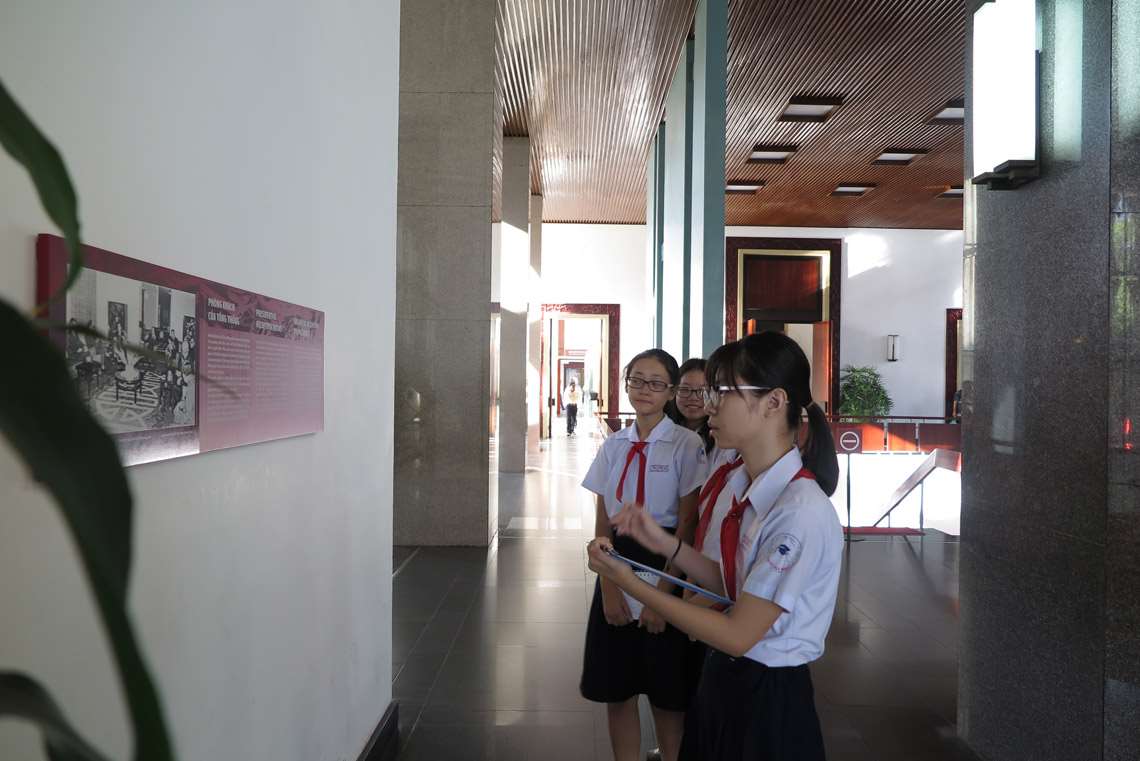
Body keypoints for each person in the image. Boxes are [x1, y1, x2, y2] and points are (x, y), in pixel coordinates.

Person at [587, 332, 842, 761]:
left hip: (767, 694)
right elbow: (729, 582)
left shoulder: (798, 512)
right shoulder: (747, 485)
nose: (709, 406)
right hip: (725, 676)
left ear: (773, 402)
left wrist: (630, 583)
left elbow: (739, 633)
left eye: (722, 393)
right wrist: (663, 542)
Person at [580, 348, 708, 761]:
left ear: (671, 392)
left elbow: (687, 523)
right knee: (617, 689)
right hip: (617, 560)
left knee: (667, 693)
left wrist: (664, 597)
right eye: (636, 380)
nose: (644, 390)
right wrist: (608, 585)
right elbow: (603, 520)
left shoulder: (686, 444)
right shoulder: (614, 444)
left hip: (665, 560)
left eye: (656, 383)